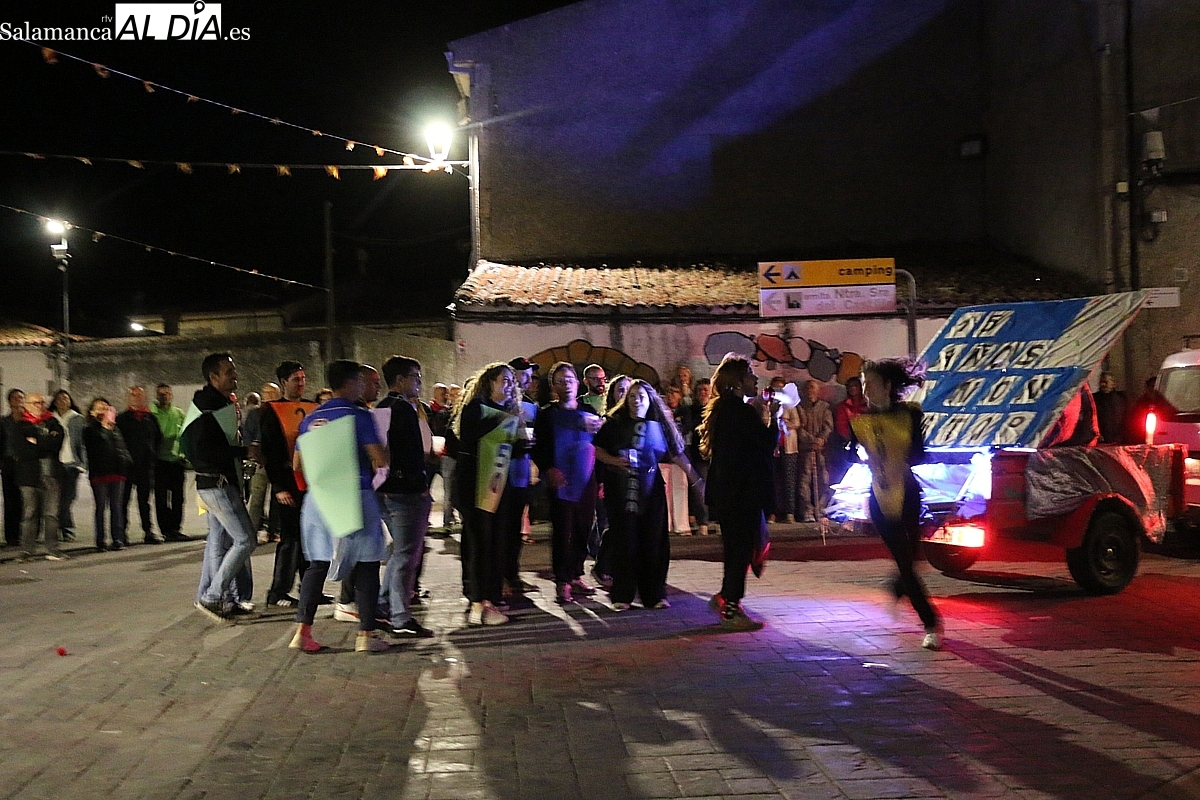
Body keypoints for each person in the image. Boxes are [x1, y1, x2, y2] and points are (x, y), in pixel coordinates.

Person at [291, 360, 392, 653]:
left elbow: (297, 464)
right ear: (351, 382)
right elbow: (380, 459)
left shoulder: (310, 418)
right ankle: (366, 635)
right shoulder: (359, 415)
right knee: (367, 564)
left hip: (319, 498)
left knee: (318, 563)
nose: (363, 385)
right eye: (361, 380)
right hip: (355, 495)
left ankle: (302, 632)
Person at [852, 359, 942, 650]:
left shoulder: (909, 415)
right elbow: (852, 451)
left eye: (870, 383)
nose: (865, 390)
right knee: (904, 561)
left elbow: (918, 454)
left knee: (911, 558)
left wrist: (895, 450)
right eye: (863, 384)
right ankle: (931, 622)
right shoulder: (860, 420)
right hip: (879, 495)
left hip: (907, 492)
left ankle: (898, 586)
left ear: (887, 386)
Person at [594, 380, 700, 611]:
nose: (636, 401)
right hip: (621, 489)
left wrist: (697, 481)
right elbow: (598, 449)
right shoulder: (614, 423)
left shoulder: (659, 425)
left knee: (653, 541)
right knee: (625, 540)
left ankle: (654, 594)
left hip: (651, 489)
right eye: (632, 396)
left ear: (650, 399)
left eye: (641, 396)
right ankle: (623, 594)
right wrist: (614, 461)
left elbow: (677, 454)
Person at [699, 354, 777, 630]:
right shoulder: (740, 412)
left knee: (736, 548)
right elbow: (765, 445)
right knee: (740, 549)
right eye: (750, 375)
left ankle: (725, 596)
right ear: (738, 382)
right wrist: (774, 418)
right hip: (741, 493)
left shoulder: (724, 409)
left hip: (729, 492)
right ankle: (731, 606)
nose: (756, 379)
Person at [181, 353, 257, 623]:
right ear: (213, 377)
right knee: (246, 540)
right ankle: (213, 597)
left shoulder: (215, 403)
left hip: (212, 484)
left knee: (219, 540)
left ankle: (218, 597)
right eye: (229, 372)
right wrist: (243, 452)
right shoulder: (208, 408)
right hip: (217, 485)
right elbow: (204, 451)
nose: (235, 375)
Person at [452, 362, 520, 625]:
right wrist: (504, 419)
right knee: (480, 543)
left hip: (498, 484)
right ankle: (479, 603)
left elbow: (511, 446)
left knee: (497, 542)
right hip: (475, 485)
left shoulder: (509, 410)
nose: (509, 385)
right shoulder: (475, 408)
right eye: (504, 380)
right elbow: (470, 438)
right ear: (489, 382)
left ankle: (491, 595)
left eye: (512, 381)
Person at [375, 355, 437, 638]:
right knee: (406, 555)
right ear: (399, 380)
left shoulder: (382, 407)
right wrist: (419, 483)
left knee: (400, 551)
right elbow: (411, 453)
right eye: (415, 376)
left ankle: (383, 604)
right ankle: (400, 618)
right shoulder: (403, 409)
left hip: (385, 489)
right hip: (405, 491)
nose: (419, 382)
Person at [533, 361, 603, 604]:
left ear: (577, 383)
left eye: (570, 380)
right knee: (563, 529)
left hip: (586, 478)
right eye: (561, 382)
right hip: (561, 479)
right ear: (553, 386)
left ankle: (576, 574)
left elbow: (599, 446)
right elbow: (538, 447)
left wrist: (600, 478)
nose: (567, 385)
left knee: (584, 527)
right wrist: (547, 469)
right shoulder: (547, 414)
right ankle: (562, 580)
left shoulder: (589, 410)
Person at [259, 361, 318, 608]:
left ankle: (310, 588)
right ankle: (278, 591)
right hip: (288, 482)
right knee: (290, 539)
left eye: (303, 378)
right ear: (284, 382)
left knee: (309, 538)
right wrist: (279, 487)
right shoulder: (272, 411)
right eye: (296, 379)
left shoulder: (312, 407)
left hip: (310, 482)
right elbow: (270, 452)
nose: (301, 383)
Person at [498, 357, 540, 598]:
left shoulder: (530, 404)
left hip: (522, 473)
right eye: (524, 373)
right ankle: (500, 578)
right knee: (502, 528)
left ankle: (512, 575)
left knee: (515, 528)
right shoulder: (501, 402)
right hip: (502, 472)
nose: (528, 379)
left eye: (530, 374)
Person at [13, 393, 66, 561]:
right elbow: (22, 451)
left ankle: (52, 549)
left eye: (42, 402)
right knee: (30, 514)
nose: (39, 405)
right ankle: (27, 551)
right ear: (27, 405)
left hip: (51, 475)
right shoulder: (21, 425)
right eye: (35, 403)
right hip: (28, 476)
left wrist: (37, 441)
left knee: (51, 514)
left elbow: (56, 444)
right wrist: (45, 441)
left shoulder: (53, 422)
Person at [82, 397, 131, 551]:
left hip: (117, 472)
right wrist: (104, 427)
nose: (104, 411)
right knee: (101, 507)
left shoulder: (115, 428)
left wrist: (126, 463)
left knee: (117, 507)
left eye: (106, 408)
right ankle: (101, 540)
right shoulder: (89, 430)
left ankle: (118, 539)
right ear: (92, 412)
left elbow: (121, 447)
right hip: (99, 473)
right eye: (100, 408)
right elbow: (95, 448)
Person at [116, 386, 163, 544]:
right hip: (127, 467)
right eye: (133, 395)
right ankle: (122, 533)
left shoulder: (150, 418)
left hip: (145, 466)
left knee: (145, 501)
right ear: (128, 398)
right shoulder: (121, 419)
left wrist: (152, 455)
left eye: (140, 395)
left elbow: (158, 438)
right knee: (124, 501)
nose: (137, 398)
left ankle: (148, 531)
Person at [152, 384, 189, 542]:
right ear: (157, 396)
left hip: (176, 461)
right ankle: (165, 529)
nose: (164, 396)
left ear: (171, 395)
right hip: (159, 461)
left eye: (167, 393)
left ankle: (176, 528)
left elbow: (185, 434)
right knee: (161, 498)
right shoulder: (152, 414)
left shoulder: (178, 413)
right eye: (161, 394)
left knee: (178, 498)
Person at [246, 382, 282, 537]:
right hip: (260, 462)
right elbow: (247, 435)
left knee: (278, 498)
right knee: (257, 498)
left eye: (272, 392)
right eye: (265, 392)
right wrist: (254, 454)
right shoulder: (255, 414)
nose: (268, 395)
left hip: (278, 461)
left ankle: (274, 531)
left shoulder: (281, 411)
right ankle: (252, 531)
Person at [795, 380, 833, 523]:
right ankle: (807, 511)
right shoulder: (799, 407)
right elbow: (799, 428)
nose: (810, 391)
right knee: (804, 480)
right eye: (808, 388)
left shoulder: (824, 407)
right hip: (806, 449)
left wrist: (821, 439)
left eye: (813, 388)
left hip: (821, 450)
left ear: (818, 390)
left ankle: (820, 509)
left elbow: (828, 426)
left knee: (823, 479)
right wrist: (812, 440)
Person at [51, 389, 86, 543]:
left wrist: (82, 463)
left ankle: (66, 528)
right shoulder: (50, 418)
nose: (62, 401)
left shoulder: (77, 419)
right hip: (55, 463)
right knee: (56, 499)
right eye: (59, 399)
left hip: (72, 464)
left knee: (68, 498)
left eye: (65, 398)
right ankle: (63, 530)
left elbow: (82, 443)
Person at [687, 378, 714, 536]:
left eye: (706, 390)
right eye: (700, 390)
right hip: (699, 455)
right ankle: (703, 522)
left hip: (716, 455)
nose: (703, 393)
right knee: (700, 489)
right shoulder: (691, 411)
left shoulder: (717, 410)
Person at [830, 376, 868, 484]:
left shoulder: (868, 404)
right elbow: (841, 425)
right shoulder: (843, 407)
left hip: (868, 443)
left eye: (855, 386)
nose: (852, 388)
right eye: (850, 386)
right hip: (849, 444)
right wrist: (853, 440)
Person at [2, 389, 26, 547]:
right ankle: (11, 536)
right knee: (10, 501)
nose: (19, 400)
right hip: (9, 464)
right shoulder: (4, 422)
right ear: (10, 401)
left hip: (26, 464)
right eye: (15, 398)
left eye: (21, 398)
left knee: (27, 501)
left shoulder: (29, 420)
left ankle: (28, 534)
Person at [1093, 372, 1128, 445]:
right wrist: (1096, 434)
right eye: (1101, 382)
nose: (1103, 385)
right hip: (1100, 440)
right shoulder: (1094, 399)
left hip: (1119, 439)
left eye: (1105, 382)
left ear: (1113, 384)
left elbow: (1126, 417)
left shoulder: (1121, 398)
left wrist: (1122, 436)